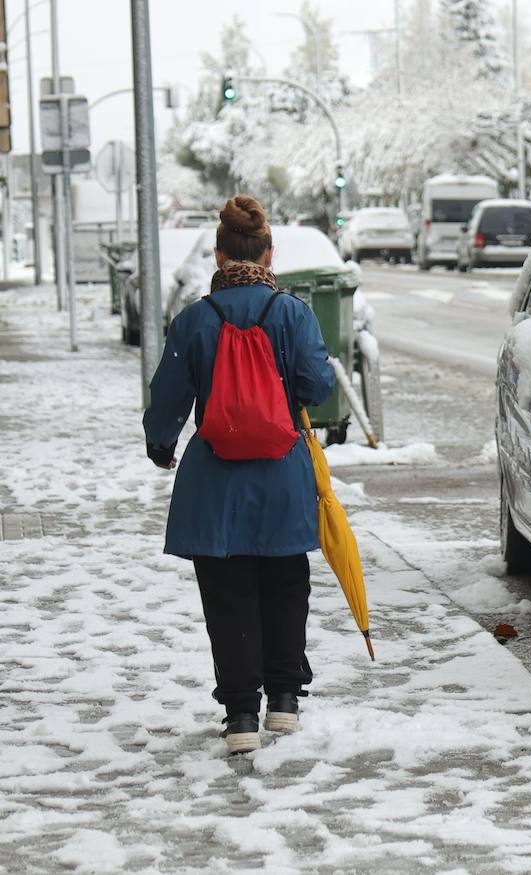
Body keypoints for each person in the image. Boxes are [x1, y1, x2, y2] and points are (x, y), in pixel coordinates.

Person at [143, 195, 335, 755]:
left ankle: (241, 716)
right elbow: (317, 387)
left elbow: (169, 395)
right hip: (281, 472)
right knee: (284, 583)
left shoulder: (195, 320)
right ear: (268, 254)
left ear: (220, 254)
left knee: (227, 594)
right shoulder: (293, 313)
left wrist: (160, 445)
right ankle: (284, 702)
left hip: (215, 479)